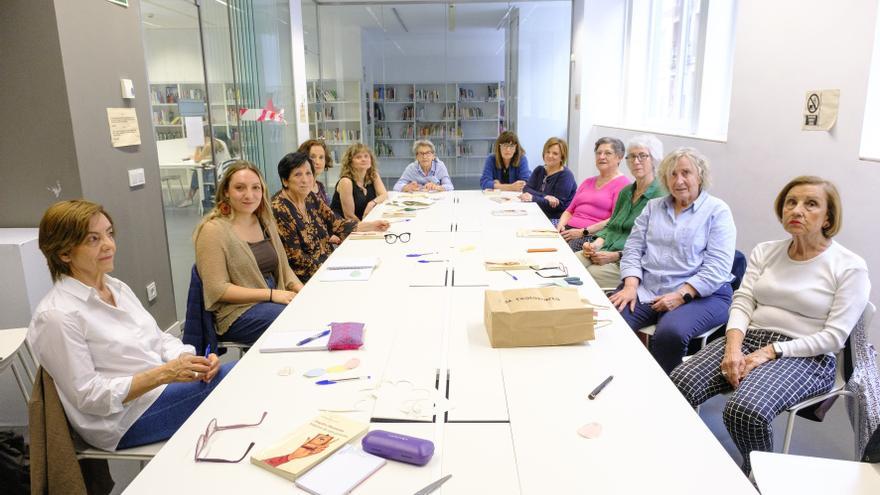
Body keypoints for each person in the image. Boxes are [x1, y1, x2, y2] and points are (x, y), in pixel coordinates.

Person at [670, 176, 870, 474]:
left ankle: (758, 473)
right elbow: (743, 302)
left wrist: (770, 352)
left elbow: (833, 338)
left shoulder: (849, 266)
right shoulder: (766, 250)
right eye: (791, 202)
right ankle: (687, 456)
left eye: (811, 204)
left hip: (806, 356)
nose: (797, 210)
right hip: (750, 338)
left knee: (744, 410)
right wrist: (732, 347)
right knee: (679, 383)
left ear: (828, 217)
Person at [26, 200, 233, 451]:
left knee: (234, 378)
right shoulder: (57, 316)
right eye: (93, 239)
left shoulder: (116, 287)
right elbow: (89, 396)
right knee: (239, 379)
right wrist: (164, 373)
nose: (108, 245)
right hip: (124, 420)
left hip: (160, 389)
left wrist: (191, 361)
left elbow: (159, 339)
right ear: (64, 253)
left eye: (109, 234)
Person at [609, 147, 736, 374]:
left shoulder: (717, 211)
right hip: (648, 287)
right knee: (609, 321)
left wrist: (681, 295)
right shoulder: (653, 207)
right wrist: (630, 285)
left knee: (670, 334)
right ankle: (619, 378)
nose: (679, 181)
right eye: (672, 174)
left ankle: (661, 396)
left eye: (686, 173)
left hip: (700, 294)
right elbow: (633, 248)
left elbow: (717, 267)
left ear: (700, 176)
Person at [194, 160, 304, 345]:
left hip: (273, 296)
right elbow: (217, 289)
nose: (249, 195)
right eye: (240, 188)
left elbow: (285, 270)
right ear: (226, 192)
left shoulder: (265, 222)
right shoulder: (213, 230)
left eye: (256, 188)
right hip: (238, 311)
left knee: (312, 309)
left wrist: (303, 291)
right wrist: (269, 294)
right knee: (294, 320)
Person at [273, 152, 390, 282]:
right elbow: (296, 258)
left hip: (329, 265)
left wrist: (372, 225)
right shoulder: (279, 209)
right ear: (285, 180)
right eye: (298, 174)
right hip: (309, 278)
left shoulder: (309, 197)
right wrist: (332, 269)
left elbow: (336, 223)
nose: (305, 180)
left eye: (308, 173)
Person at [577, 135, 666, 287]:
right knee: (568, 264)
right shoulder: (626, 192)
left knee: (584, 277)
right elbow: (612, 226)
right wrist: (595, 245)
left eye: (642, 156)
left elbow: (654, 245)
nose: (636, 161)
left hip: (629, 261)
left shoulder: (661, 196)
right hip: (605, 249)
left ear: (654, 159)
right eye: (631, 156)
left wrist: (615, 256)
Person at [557, 137, 631, 252]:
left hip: (590, 235)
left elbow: (614, 219)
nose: (601, 157)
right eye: (598, 153)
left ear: (619, 157)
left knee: (563, 252)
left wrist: (582, 231)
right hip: (567, 230)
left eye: (608, 153)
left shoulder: (624, 185)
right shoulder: (587, 181)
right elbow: (569, 210)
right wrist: (560, 226)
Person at [518, 137, 577, 223]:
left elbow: (557, 205)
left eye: (555, 153)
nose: (550, 156)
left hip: (556, 218)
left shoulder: (566, 175)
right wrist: (546, 197)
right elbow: (526, 189)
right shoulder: (539, 170)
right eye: (548, 152)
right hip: (537, 213)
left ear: (562, 157)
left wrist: (533, 198)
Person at [330, 143, 388, 221]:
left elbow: (384, 194)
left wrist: (372, 203)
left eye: (366, 156)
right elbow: (349, 216)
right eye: (358, 157)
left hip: (362, 222)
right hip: (343, 226)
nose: (363, 159)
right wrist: (367, 227)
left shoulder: (373, 175)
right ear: (350, 162)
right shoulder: (346, 182)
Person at [178, 136, 232, 208]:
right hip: (226, 170)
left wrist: (197, 146)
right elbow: (213, 157)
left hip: (218, 174)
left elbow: (197, 160)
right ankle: (190, 199)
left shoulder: (209, 145)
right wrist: (194, 157)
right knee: (198, 173)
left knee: (197, 173)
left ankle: (190, 199)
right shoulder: (220, 141)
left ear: (205, 137)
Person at [297, 138, 333, 204]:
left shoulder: (320, 186)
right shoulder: (300, 187)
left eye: (321, 157)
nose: (317, 162)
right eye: (313, 157)